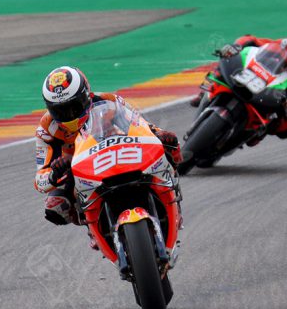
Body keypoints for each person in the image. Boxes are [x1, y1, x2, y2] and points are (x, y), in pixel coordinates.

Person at [34, 66, 182, 226]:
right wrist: (54, 174)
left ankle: (169, 199)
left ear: (86, 95)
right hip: (79, 171)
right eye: (60, 111)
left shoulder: (110, 102)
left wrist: (160, 136)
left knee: (168, 145)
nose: (69, 115)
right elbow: (40, 180)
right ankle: (93, 225)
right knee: (55, 205)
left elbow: (143, 127)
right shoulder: (47, 128)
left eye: (74, 107)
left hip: (120, 153)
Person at [197, 33, 287, 142]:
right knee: (227, 61)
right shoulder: (285, 45)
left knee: (285, 130)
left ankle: (257, 130)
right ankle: (205, 94)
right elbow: (253, 40)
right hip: (265, 79)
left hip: (286, 98)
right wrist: (236, 46)